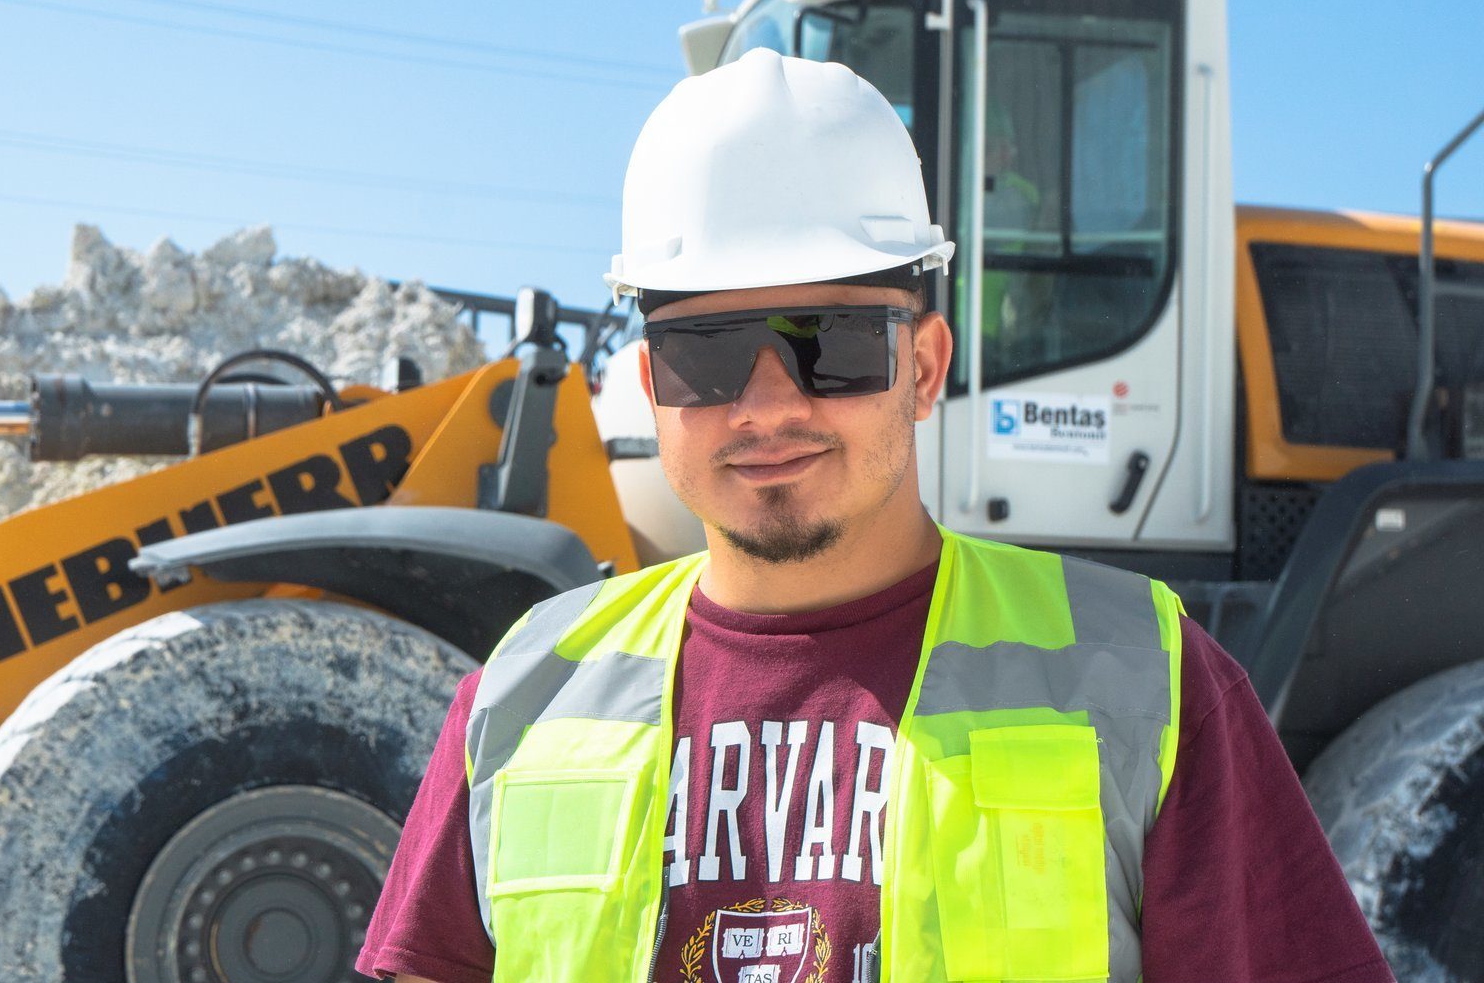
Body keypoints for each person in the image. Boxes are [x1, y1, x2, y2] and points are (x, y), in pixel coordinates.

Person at [358, 49, 1391, 983]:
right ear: (651, 384)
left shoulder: (1149, 682)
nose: (766, 405)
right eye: (706, 355)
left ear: (926, 365)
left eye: (828, 344)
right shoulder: (527, 694)